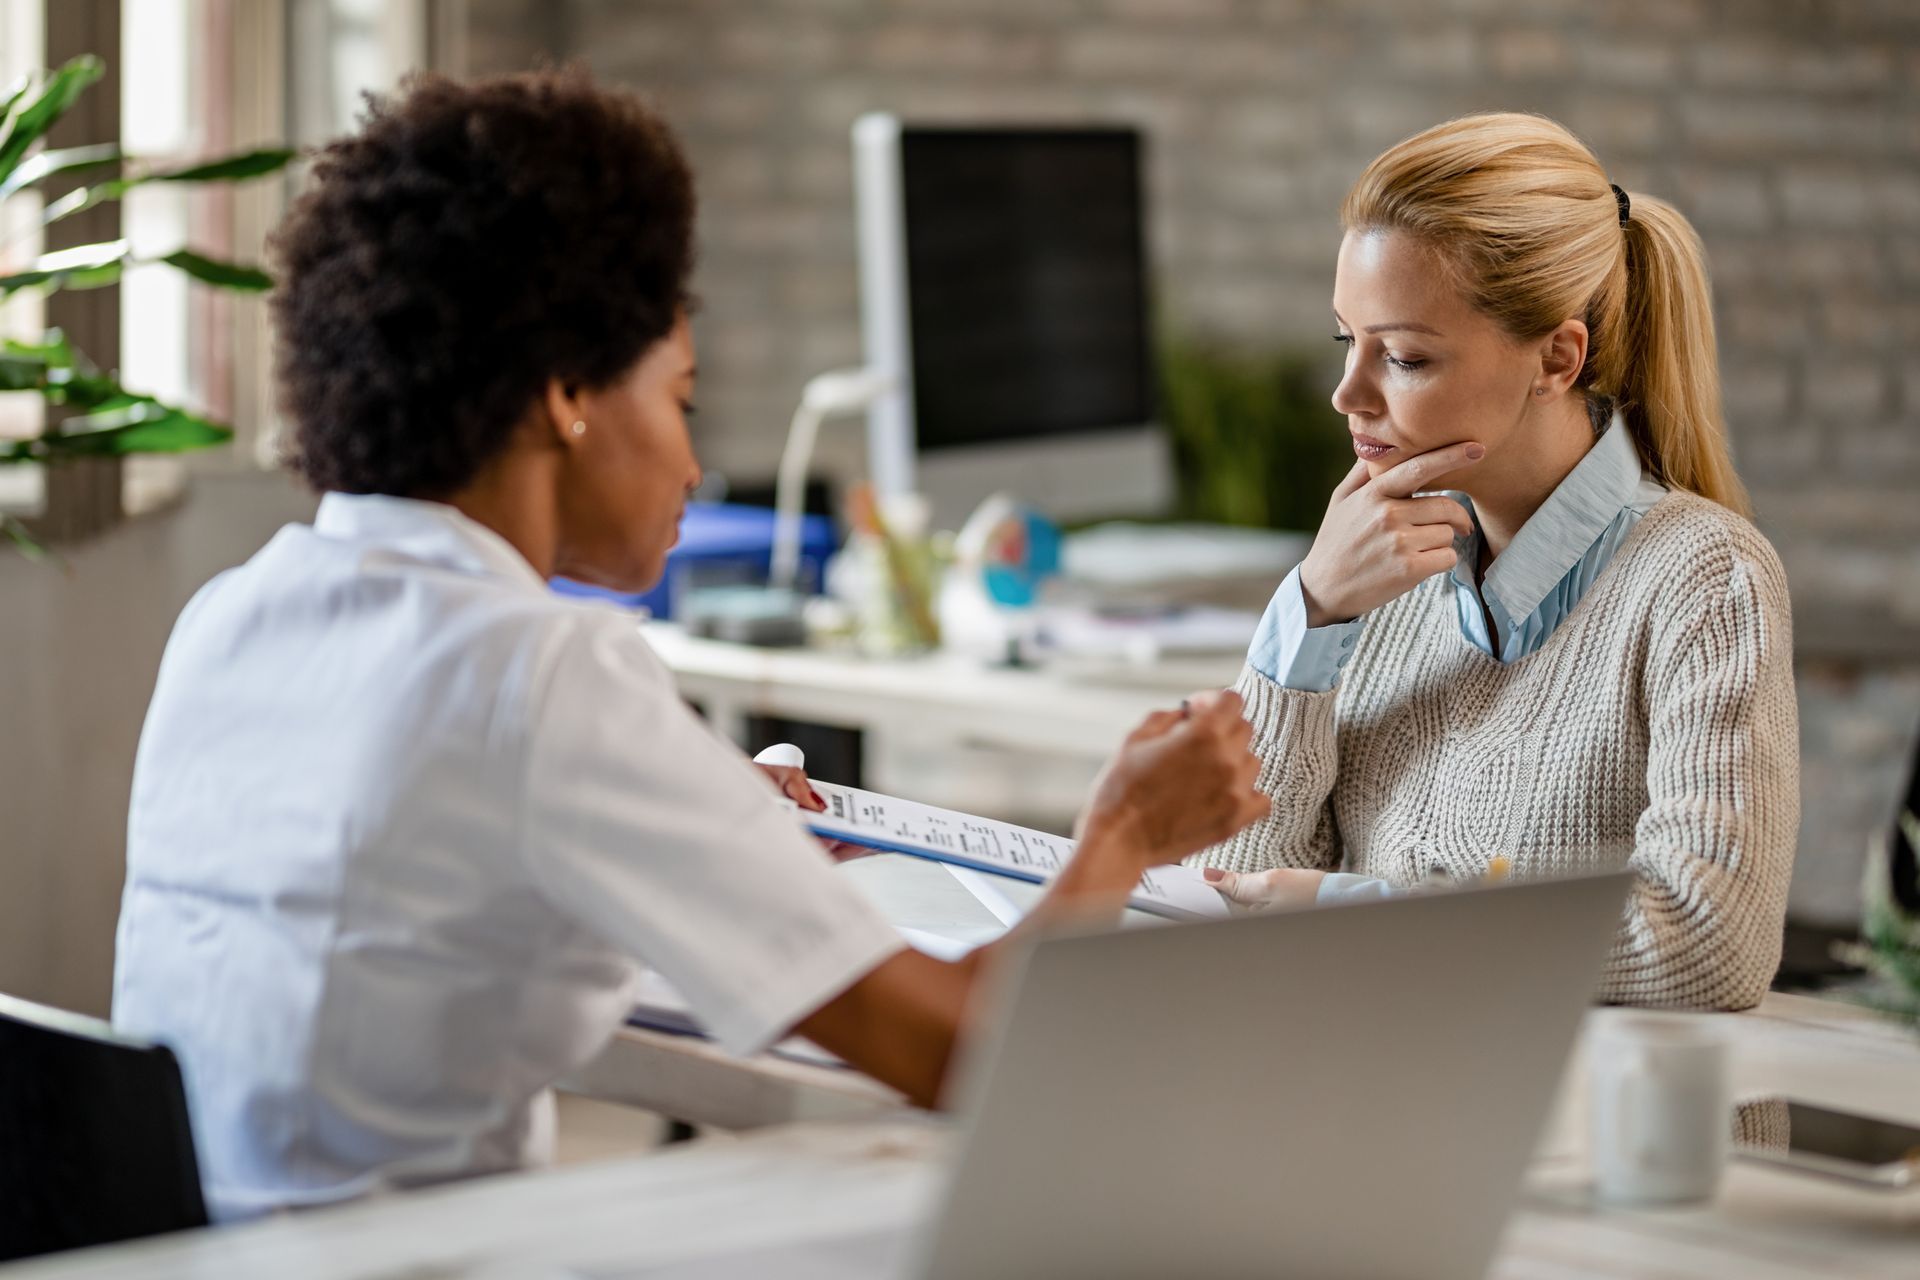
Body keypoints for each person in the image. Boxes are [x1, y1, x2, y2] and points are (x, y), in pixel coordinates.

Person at [109, 69, 1268, 1220]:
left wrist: (715, 833)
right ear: (566, 392)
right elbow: (965, 1049)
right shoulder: (542, 667)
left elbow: (424, 907)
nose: (692, 467)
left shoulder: (234, 612)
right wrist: (1123, 836)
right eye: (682, 399)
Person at [1191, 113, 1797, 1012]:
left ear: (1558, 357)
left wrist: (1373, 918)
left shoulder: (1705, 579)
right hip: (1389, 1108)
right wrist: (1310, 617)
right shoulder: (1372, 570)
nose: (1346, 394)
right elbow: (1228, 888)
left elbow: (1710, 941)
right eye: (1344, 342)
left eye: (1402, 356)